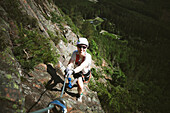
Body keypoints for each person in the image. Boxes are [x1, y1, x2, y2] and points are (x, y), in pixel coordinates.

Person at [65, 37, 92, 102]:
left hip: (84, 73)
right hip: (77, 72)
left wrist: (73, 71)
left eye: (84, 47)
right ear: (77, 47)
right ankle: (79, 94)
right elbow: (71, 62)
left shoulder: (88, 56)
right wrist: (69, 67)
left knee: (80, 85)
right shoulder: (75, 53)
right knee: (80, 85)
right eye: (79, 46)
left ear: (86, 48)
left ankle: (80, 95)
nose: (81, 49)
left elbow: (82, 66)